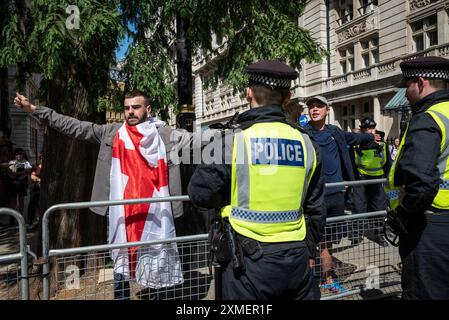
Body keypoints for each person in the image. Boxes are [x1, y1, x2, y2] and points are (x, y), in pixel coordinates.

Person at [13, 90, 191, 300]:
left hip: (155, 211)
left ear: (148, 109)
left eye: (136, 107)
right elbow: (75, 127)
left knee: (160, 257)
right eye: (126, 108)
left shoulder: (165, 134)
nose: (130, 112)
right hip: (121, 212)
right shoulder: (111, 132)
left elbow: (199, 142)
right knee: (120, 260)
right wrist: (35, 110)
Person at [188, 60, 326, 300]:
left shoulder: (232, 141)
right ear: (287, 97)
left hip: (247, 264)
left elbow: (199, 193)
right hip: (296, 259)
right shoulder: (307, 144)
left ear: (248, 93)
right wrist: (307, 248)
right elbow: (316, 208)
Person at [385, 56, 449, 300]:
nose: (407, 94)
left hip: (431, 227)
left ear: (420, 83)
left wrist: (403, 211)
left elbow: (421, 183)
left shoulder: (428, 118)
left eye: (407, 87)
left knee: (424, 292)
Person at [303, 96, 378, 293]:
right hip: (313, 197)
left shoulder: (335, 132)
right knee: (310, 243)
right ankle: (308, 285)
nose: (314, 109)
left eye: (319, 106)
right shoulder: (302, 133)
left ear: (327, 110)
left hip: (336, 196)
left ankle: (328, 280)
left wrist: (370, 136)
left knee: (328, 242)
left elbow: (355, 138)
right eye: (311, 106)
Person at [351, 117, 391, 247]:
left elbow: (388, 165)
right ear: (362, 131)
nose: (370, 131)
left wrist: (389, 180)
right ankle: (356, 235)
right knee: (358, 208)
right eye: (367, 129)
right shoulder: (356, 145)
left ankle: (379, 234)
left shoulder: (382, 145)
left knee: (379, 208)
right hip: (360, 179)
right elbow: (350, 164)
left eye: (372, 128)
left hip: (378, 180)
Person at [7, 148, 32, 223]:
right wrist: (22, 173)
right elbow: (12, 173)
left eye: (20, 154)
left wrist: (21, 173)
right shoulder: (12, 162)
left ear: (22, 155)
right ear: (15, 155)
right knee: (13, 201)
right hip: (13, 184)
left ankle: (20, 217)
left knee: (21, 200)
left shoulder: (26, 162)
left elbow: (28, 170)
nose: (19, 156)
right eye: (17, 154)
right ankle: (12, 218)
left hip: (22, 184)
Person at [27, 153, 43, 229]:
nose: (42, 159)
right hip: (35, 190)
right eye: (41, 158)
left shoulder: (49, 167)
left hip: (44, 190)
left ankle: (40, 221)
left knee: (41, 206)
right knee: (32, 205)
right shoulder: (36, 167)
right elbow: (33, 176)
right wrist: (39, 179)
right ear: (40, 159)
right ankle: (30, 222)